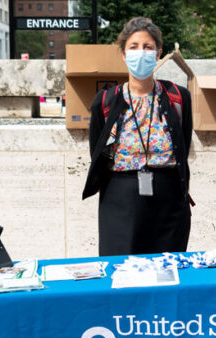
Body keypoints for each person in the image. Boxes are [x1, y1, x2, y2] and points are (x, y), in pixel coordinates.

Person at [82, 17, 194, 256]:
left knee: (168, 270)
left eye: (148, 47)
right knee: (121, 272)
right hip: (120, 199)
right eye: (133, 47)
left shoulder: (177, 97)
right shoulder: (106, 101)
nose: (141, 53)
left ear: (158, 53)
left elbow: (183, 144)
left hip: (169, 198)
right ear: (123, 54)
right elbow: (98, 151)